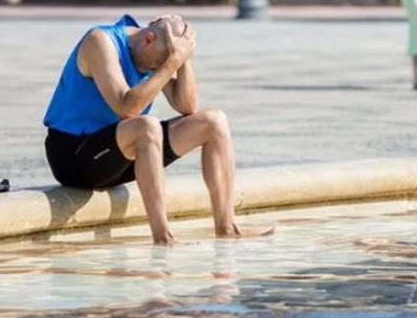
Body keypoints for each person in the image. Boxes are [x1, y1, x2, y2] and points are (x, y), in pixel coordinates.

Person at [43, 14, 273, 245]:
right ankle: (162, 236)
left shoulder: (155, 51)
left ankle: (227, 227)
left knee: (214, 122)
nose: (154, 70)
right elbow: (126, 108)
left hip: (119, 155)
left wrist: (184, 57)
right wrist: (171, 62)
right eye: (158, 64)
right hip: (74, 157)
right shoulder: (100, 42)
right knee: (147, 125)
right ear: (148, 39)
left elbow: (187, 106)